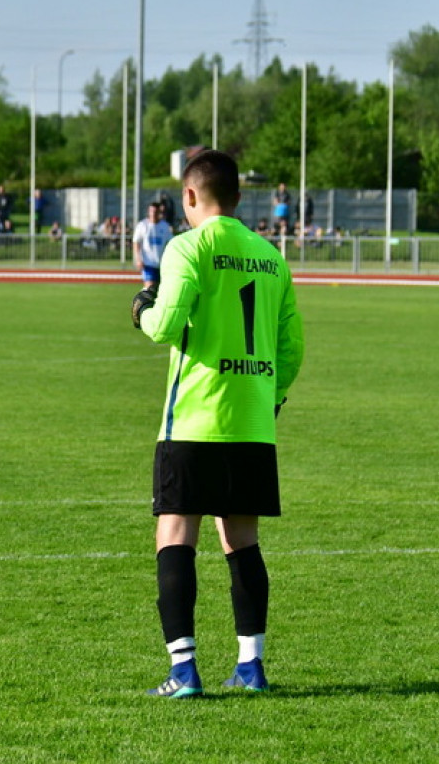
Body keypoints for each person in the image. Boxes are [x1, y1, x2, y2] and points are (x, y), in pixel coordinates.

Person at [131, 149, 304, 699]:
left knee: (175, 533)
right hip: (252, 423)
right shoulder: (271, 256)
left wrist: (141, 310)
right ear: (238, 197)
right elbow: (292, 348)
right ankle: (250, 666)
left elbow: (166, 324)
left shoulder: (188, 246)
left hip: (194, 420)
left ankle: (183, 671)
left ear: (189, 196)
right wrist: (269, 398)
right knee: (243, 541)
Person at [131, 202, 172, 290]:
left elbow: (170, 243)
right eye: (151, 211)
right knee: (150, 288)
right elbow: (136, 242)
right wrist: (138, 259)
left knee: (157, 290)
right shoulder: (142, 225)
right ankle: (141, 301)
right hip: (148, 263)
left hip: (161, 264)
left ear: (159, 212)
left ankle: (143, 297)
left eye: (155, 211)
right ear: (148, 212)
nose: (153, 213)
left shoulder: (165, 226)